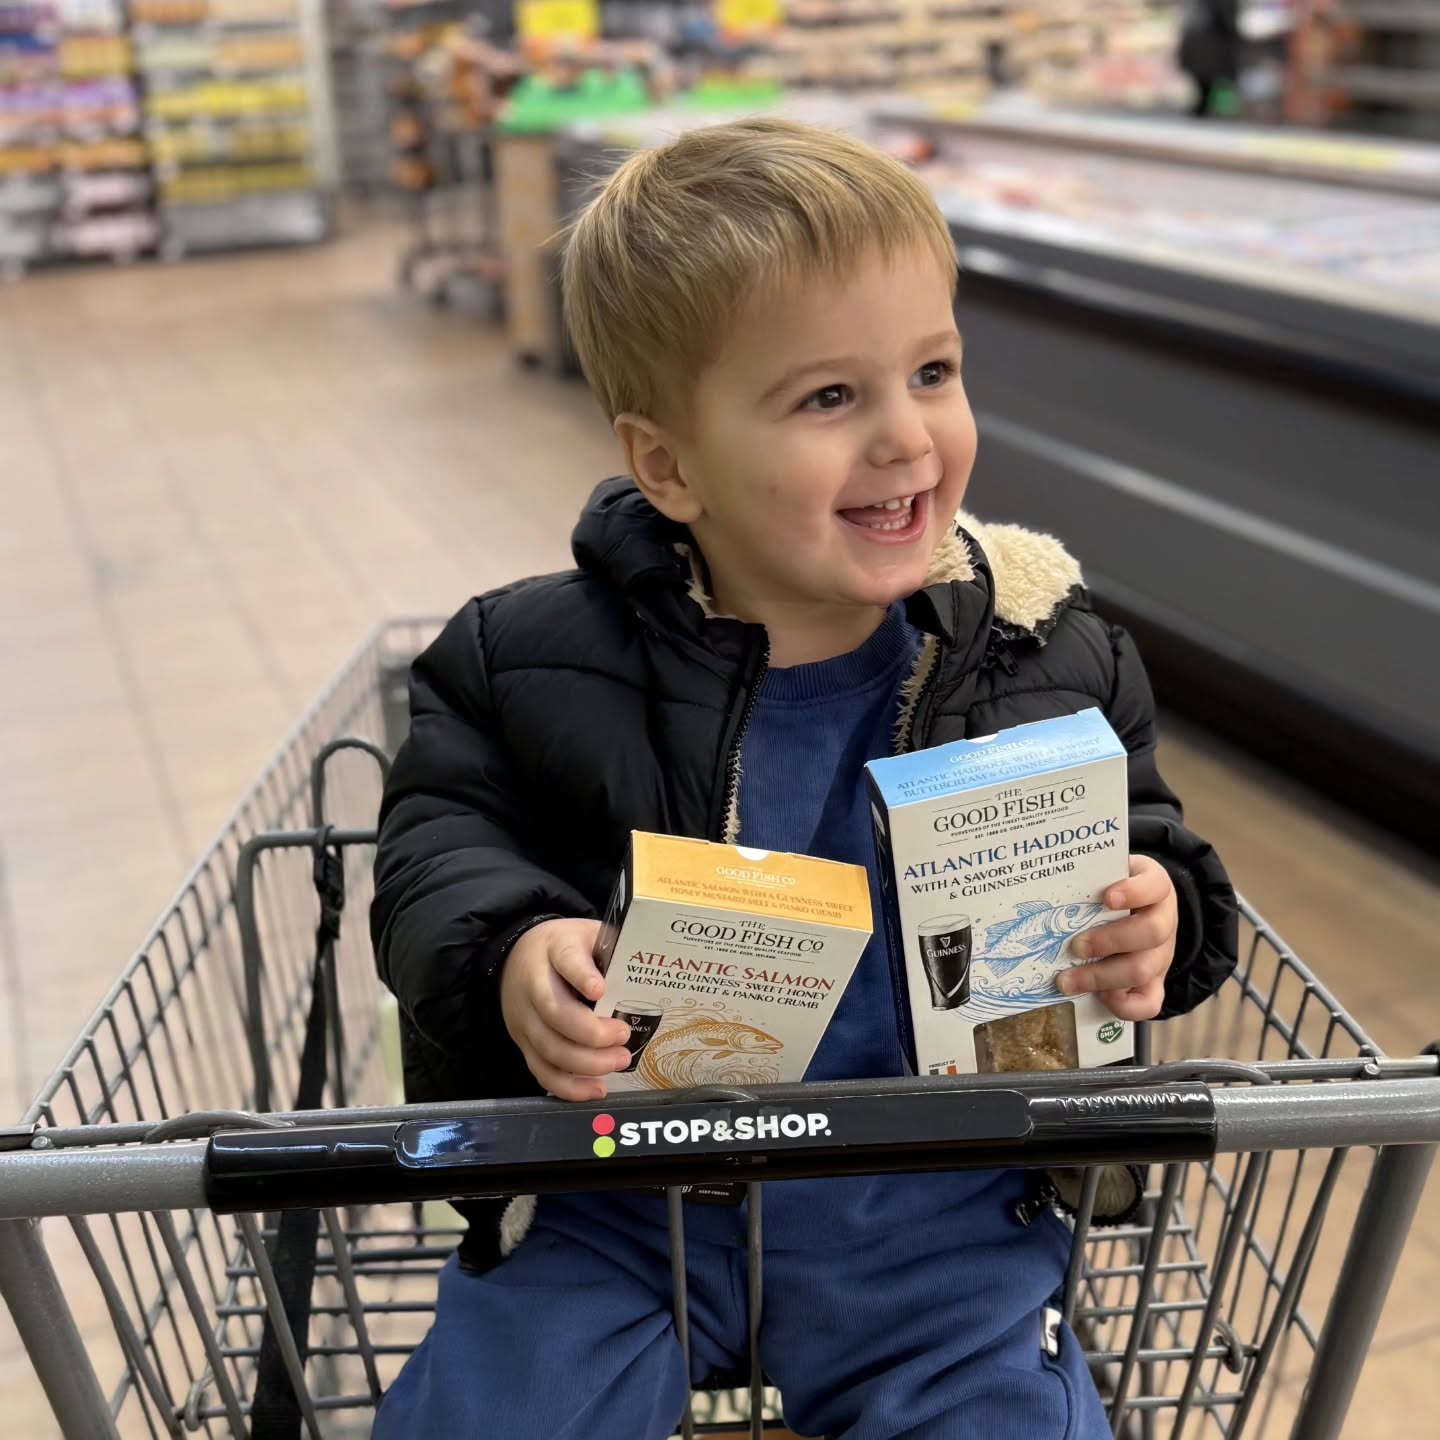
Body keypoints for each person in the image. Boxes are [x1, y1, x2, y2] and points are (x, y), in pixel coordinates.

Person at [369, 118, 1238, 1440]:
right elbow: (441, 840)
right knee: (496, 1412)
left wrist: (1156, 922)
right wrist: (511, 954)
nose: (906, 437)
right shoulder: (525, 661)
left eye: (933, 372)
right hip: (625, 1199)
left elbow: (1150, 838)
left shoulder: (1045, 651)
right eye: (831, 397)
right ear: (667, 463)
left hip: (937, 1216)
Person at [1178, 0, 1241, 117]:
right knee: (1212, 78)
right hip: (1210, 41)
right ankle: (1213, 107)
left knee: (1209, 80)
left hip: (1205, 40)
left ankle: (1208, 107)